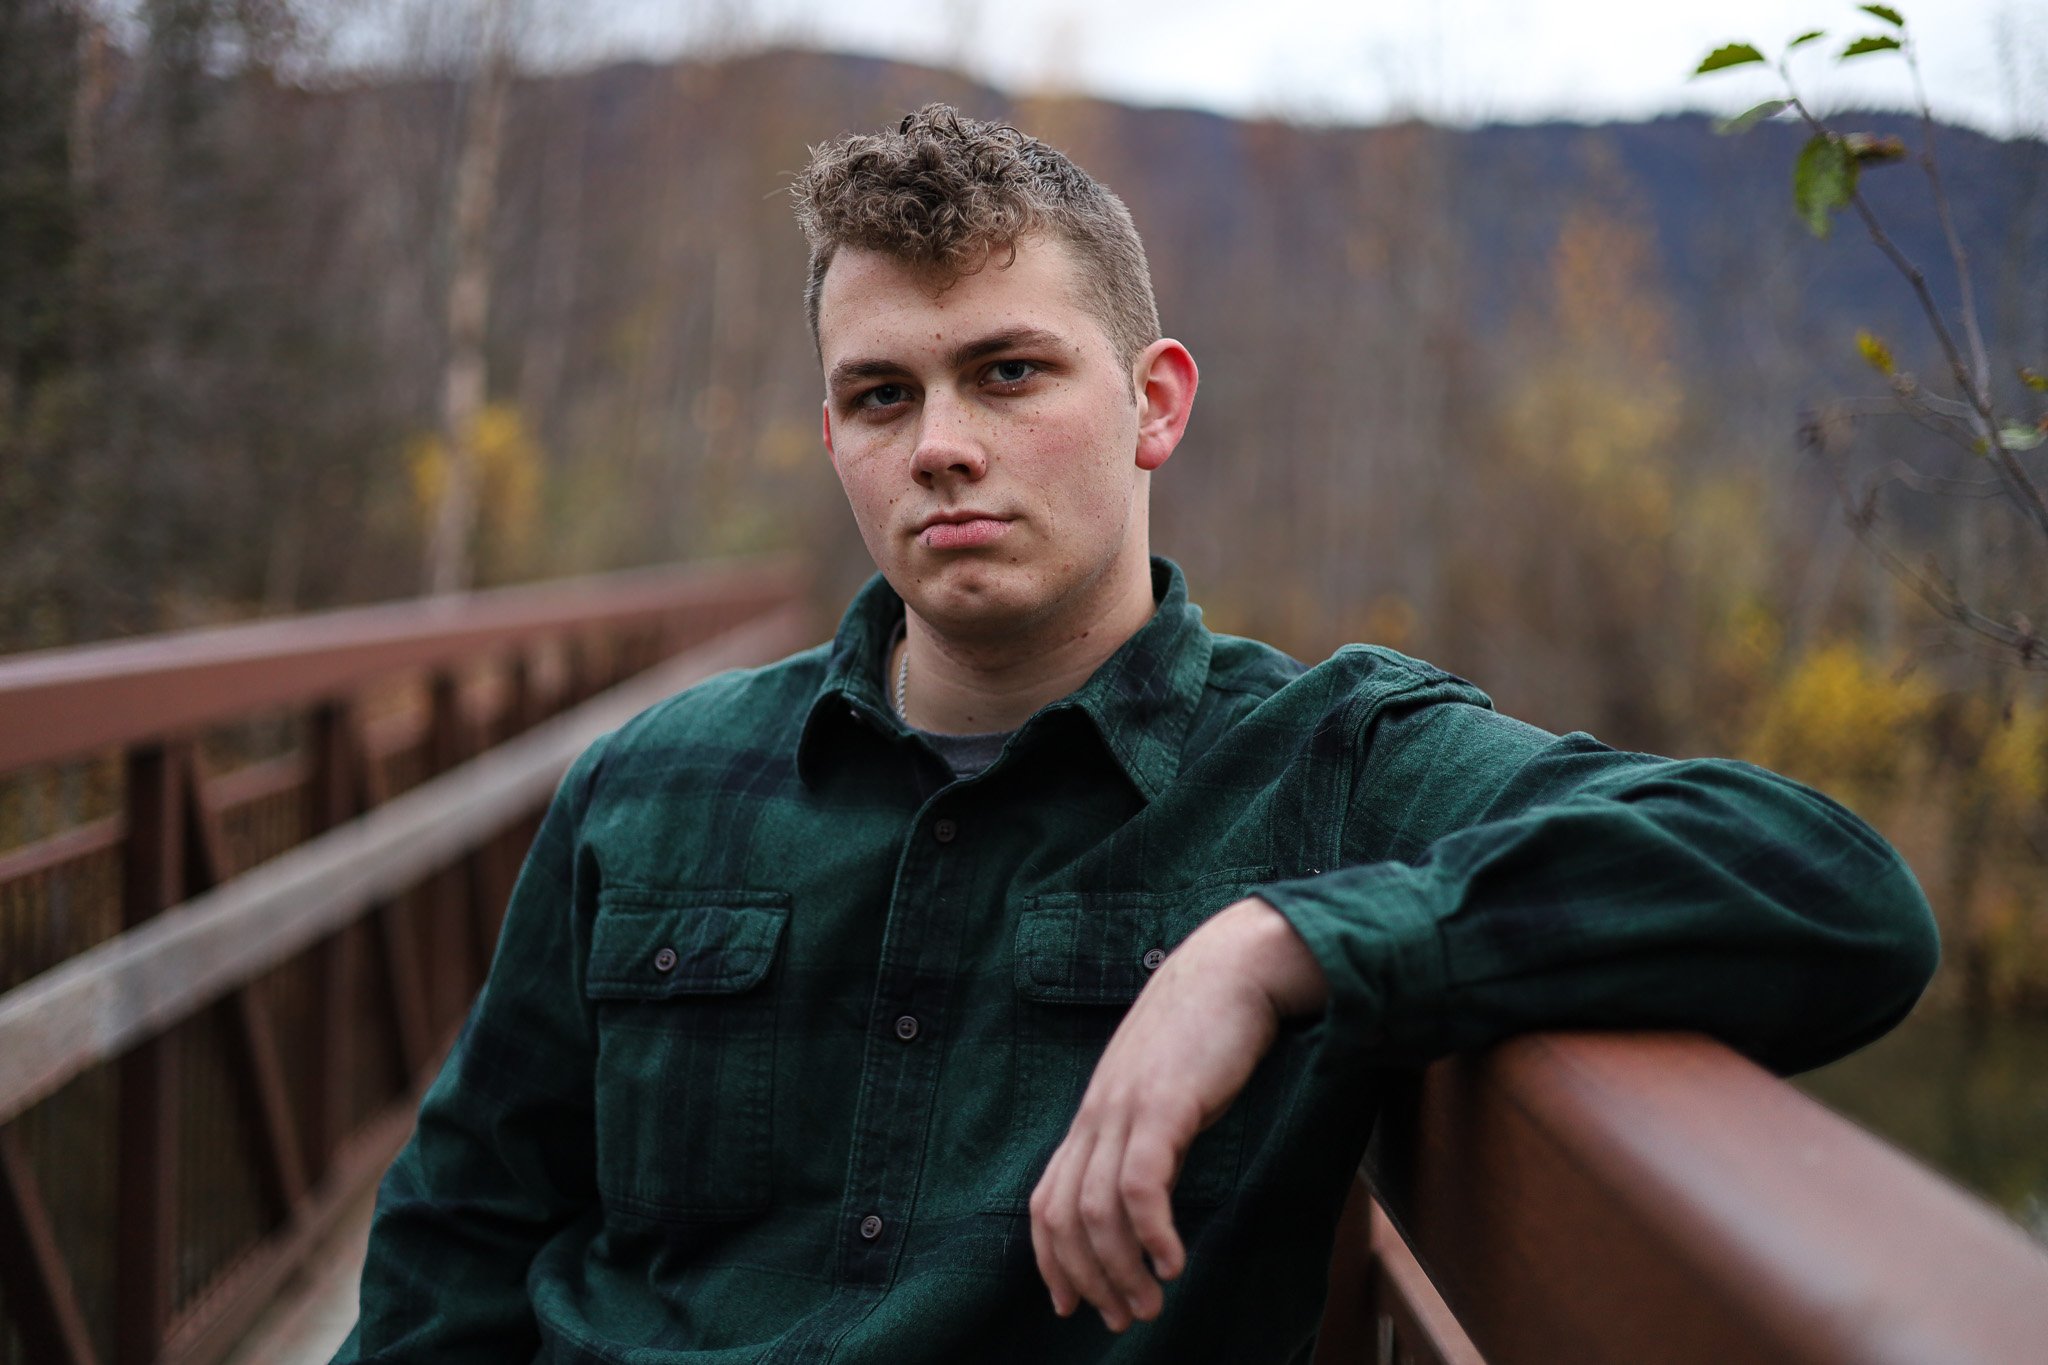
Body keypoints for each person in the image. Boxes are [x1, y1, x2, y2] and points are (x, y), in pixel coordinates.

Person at [337, 104, 1938, 1364]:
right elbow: (457, 1234)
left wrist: (1278, 944)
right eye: (883, 396)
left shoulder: (1325, 764)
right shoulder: (651, 782)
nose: (942, 444)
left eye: (1008, 372)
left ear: (1155, 402)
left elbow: (1834, 891)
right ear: (833, 436)